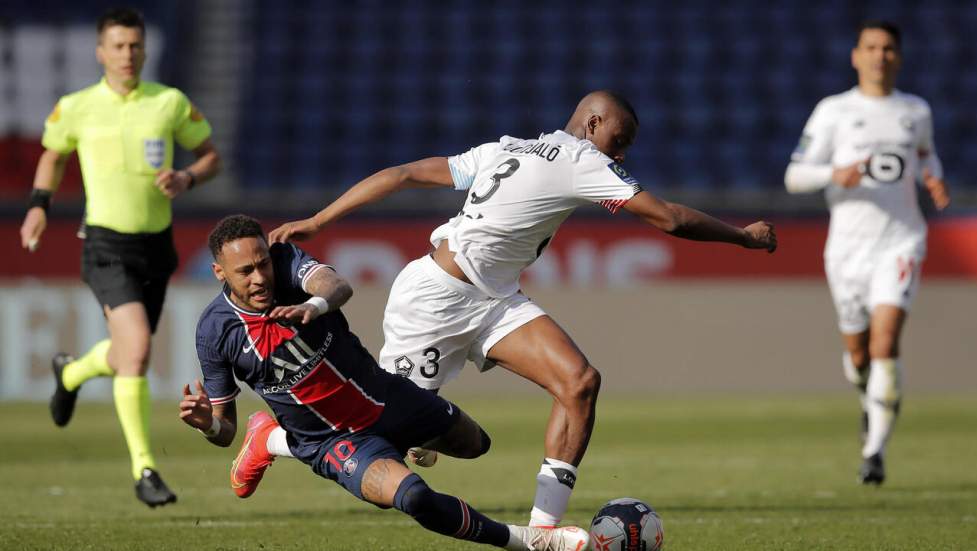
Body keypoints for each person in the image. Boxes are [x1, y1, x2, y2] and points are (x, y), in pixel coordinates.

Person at [268, 90, 778, 527]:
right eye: (618, 142)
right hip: (434, 301)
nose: (620, 157)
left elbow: (403, 174)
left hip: (494, 301)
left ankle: (542, 531)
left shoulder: (504, 148)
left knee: (579, 382)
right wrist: (744, 238)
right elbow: (668, 218)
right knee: (376, 442)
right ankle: (272, 440)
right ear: (593, 124)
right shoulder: (583, 159)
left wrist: (320, 218)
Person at [179, 215, 590, 551]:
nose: (259, 278)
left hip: (386, 395)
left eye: (262, 264)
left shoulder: (286, 262)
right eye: (245, 271)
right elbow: (222, 429)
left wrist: (313, 305)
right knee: (414, 497)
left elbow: (336, 285)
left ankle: (270, 439)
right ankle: (527, 541)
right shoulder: (215, 333)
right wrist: (209, 425)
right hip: (334, 441)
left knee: (475, 445)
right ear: (219, 273)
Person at [18, 7, 221, 506]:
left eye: (134, 45)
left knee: (125, 352)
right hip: (106, 245)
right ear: (100, 52)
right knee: (136, 351)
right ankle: (144, 469)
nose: (127, 54)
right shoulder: (78, 106)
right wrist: (38, 207)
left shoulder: (168, 103)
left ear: (144, 50)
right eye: (118, 45)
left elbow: (211, 155)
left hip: (156, 247)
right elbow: (52, 153)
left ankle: (70, 373)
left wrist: (187, 177)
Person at [784, 21, 949, 485]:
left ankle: (874, 452)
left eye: (889, 48)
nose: (880, 55)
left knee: (885, 343)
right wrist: (835, 174)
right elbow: (794, 176)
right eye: (871, 47)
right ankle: (868, 400)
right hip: (847, 248)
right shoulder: (834, 111)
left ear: (899, 56)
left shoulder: (915, 111)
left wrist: (932, 177)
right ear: (856, 56)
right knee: (859, 354)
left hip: (901, 239)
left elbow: (924, 156)